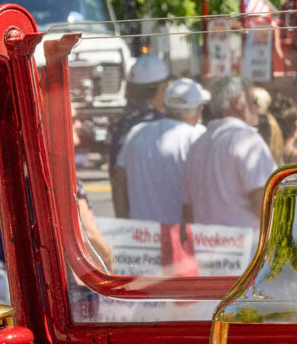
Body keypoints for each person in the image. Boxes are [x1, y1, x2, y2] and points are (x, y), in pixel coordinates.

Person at [185, 76, 279, 229]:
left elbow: (188, 209)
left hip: (205, 241)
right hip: (245, 242)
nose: (257, 107)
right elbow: (263, 201)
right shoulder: (247, 138)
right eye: (254, 101)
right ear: (238, 103)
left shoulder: (198, 144)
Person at [119, 77, 207, 222]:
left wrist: (123, 220)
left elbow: (119, 180)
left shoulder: (137, 133)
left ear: (164, 106)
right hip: (179, 232)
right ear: (199, 110)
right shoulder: (198, 137)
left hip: (140, 232)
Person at [108, 54, 172, 216]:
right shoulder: (159, 122)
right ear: (160, 88)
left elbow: (115, 174)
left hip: (130, 212)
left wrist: (121, 216)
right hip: (158, 211)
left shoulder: (118, 122)